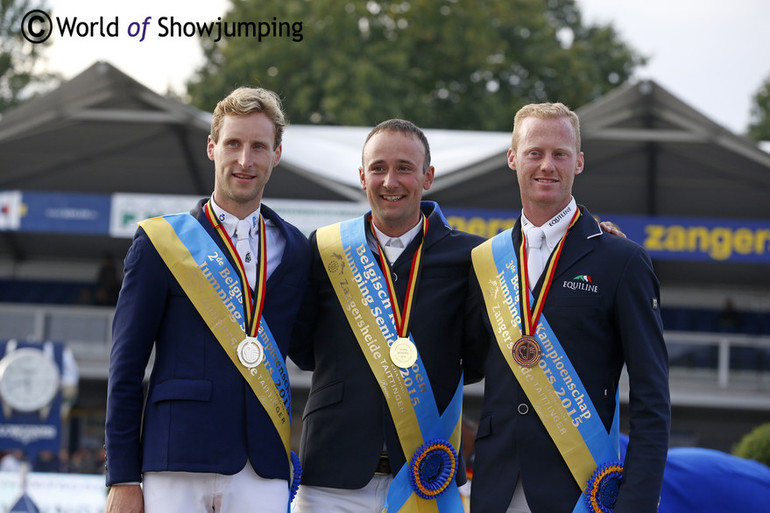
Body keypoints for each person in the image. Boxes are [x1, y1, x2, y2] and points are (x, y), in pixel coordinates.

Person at [104, 87, 310, 513]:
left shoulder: (296, 249)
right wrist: (122, 477)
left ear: (277, 154)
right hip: (175, 459)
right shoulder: (160, 242)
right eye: (233, 143)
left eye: (259, 146)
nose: (245, 160)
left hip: (263, 467)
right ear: (212, 147)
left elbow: (309, 349)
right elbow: (125, 367)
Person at [469, 103, 670, 513]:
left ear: (578, 162)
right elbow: (468, 361)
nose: (547, 165)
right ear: (513, 158)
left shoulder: (622, 260)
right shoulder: (485, 261)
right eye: (534, 152)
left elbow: (652, 396)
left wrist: (637, 503)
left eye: (560, 153)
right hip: (494, 488)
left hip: (582, 489)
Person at [289, 119, 488, 512]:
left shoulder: (470, 257)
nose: (390, 181)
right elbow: (303, 349)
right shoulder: (327, 250)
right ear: (362, 177)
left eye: (404, 168)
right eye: (378, 168)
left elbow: (477, 359)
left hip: (426, 474)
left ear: (427, 176)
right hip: (331, 476)